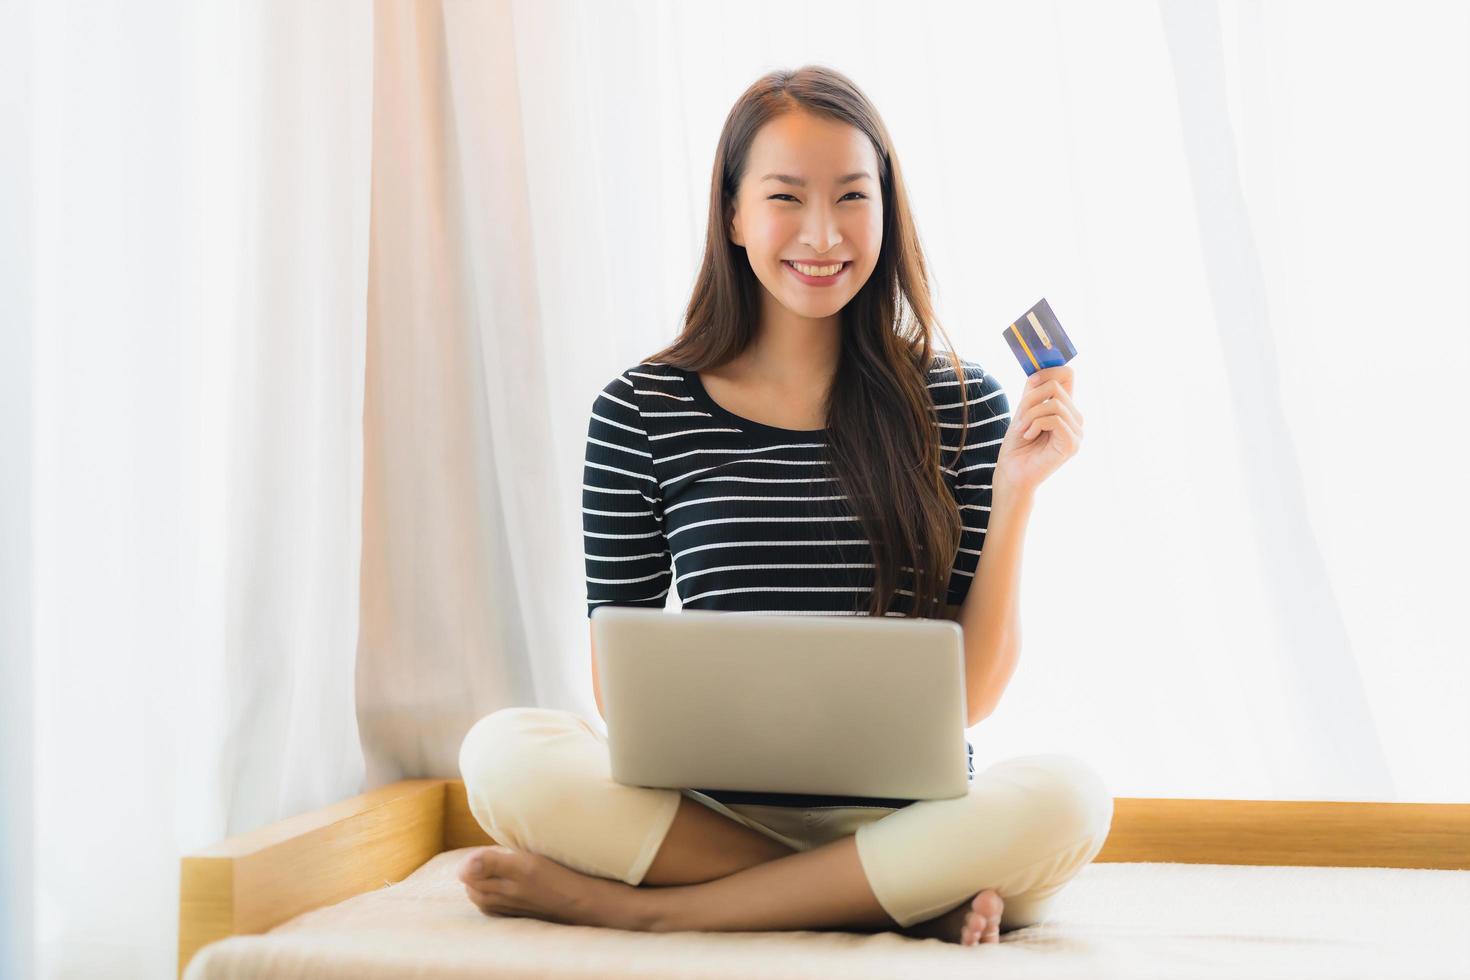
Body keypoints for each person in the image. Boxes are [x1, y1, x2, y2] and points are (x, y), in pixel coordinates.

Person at [456, 64, 1106, 948]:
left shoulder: (962, 404)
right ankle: (889, 899)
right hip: (706, 821)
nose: (822, 233)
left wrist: (1016, 493)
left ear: (887, 208)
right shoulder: (640, 411)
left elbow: (975, 695)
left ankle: (653, 907)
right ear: (732, 214)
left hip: (906, 822)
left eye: (851, 196)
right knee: (503, 755)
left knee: (1070, 800)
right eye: (785, 198)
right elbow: (623, 687)